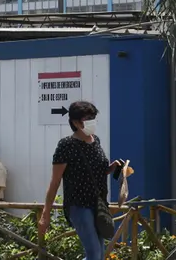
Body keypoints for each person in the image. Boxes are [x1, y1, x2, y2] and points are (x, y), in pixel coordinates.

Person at [37, 101, 122, 260]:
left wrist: (112, 168)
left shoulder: (96, 141)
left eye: (93, 117)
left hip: (98, 203)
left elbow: (97, 171)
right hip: (78, 204)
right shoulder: (66, 145)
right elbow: (55, 182)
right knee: (94, 253)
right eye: (87, 118)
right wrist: (45, 214)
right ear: (75, 122)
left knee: (99, 254)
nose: (92, 121)